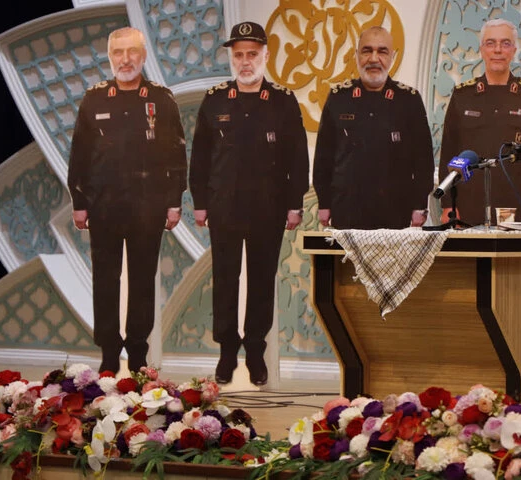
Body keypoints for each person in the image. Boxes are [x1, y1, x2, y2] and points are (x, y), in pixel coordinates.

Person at [189, 21, 309, 386]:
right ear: (232, 58)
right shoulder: (215, 100)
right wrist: (200, 202)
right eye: (239, 55)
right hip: (224, 206)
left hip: (268, 208)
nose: (245, 61)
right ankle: (227, 351)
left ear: (266, 56)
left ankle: (256, 351)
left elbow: (297, 158)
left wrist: (294, 204)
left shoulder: (283, 101)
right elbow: (200, 157)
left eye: (252, 54)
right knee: (225, 280)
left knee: (261, 281)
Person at [67, 27, 187, 373]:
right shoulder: (94, 99)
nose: (125, 59)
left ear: (143, 55)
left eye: (132, 51)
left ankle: (137, 353)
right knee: (105, 281)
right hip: (104, 205)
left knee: (142, 281)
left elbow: (177, 154)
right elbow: (79, 155)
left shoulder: (161, 99)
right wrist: (79, 201)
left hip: (148, 207)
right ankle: (108, 353)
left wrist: (174, 201)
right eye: (117, 52)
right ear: (109, 57)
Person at [312, 26, 434, 229]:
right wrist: (324, 202)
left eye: (382, 51)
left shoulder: (409, 100)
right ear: (356, 55)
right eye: (367, 51)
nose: (374, 59)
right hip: (347, 209)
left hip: (396, 211)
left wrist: (420, 204)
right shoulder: (339, 98)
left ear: (393, 57)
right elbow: (323, 157)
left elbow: (423, 160)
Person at [438, 18, 521, 226]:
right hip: (469, 203)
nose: (497, 50)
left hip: (517, 203)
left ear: (514, 50)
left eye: (505, 43)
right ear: (481, 50)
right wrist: (448, 205)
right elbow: (449, 153)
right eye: (490, 43)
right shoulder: (463, 95)